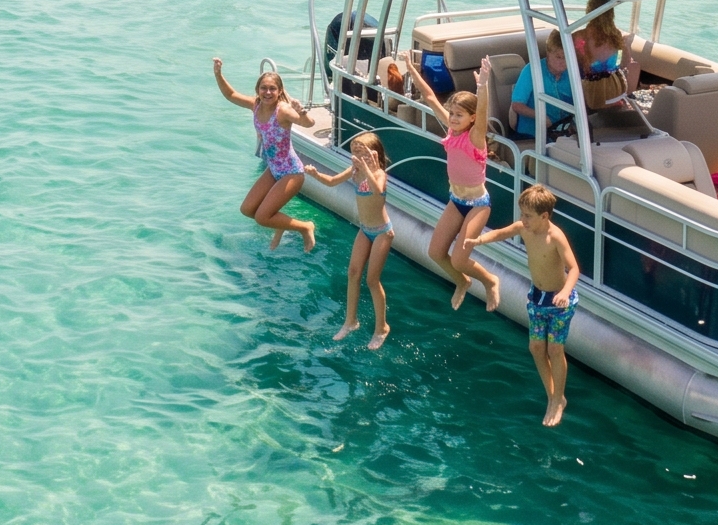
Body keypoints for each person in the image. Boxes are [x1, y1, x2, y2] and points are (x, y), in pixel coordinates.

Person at [383, 57, 503, 311]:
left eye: (459, 115)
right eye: (452, 114)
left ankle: (490, 281)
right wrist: (411, 67)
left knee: (459, 258)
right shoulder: (451, 133)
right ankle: (463, 282)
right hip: (457, 200)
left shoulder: (475, 137)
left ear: (471, 119)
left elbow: (482, 113)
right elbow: (428, 97)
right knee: (436, 252)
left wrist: (482, 87)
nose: (453, 118)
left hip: (477, 205)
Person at [468, 184, 580, 426]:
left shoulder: (555, 237)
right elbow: (500, 232)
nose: (523, 220)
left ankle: (558, 397)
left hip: (559, 301)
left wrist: (565, 291)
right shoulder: (524, 228)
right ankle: (553, 397)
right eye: (522, 214)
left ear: (544, 216)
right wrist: (478, 240)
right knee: (536, 348)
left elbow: (574, 269)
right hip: (537, 297)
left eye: (528, 216)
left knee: (555, 350)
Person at [213, 58, 316, 252]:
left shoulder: (283, 111)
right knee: (247, 210)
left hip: (291, 172)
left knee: (262, 217)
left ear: (279, 92)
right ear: (258, 90)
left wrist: (301, 112)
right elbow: (231, 95)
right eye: (263, 88)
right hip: (274, 169)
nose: (267, 92)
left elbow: (308, 124)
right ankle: (280, 225)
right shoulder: (256, 105)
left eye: (272, 89)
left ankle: (305, 226)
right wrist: (218, 74)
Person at [306, 133, 395, 348]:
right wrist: (316, 174)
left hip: (382, 232)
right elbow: (332, 182)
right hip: (365, 230)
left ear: (374, 154)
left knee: (372, 280)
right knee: (353, 274)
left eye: (361, 151)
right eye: (354, 151)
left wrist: (367, 170)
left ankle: (382, 327)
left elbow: (378, 191)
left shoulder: (379, 174)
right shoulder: (355, 171)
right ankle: (351, 321)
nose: (356, 156)